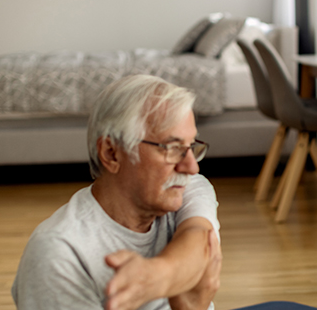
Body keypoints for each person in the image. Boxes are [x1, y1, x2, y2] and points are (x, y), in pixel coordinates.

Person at [12, 75, 222, 310]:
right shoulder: (58, 252)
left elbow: (199, 238)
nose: (191, 166)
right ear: (112, 153)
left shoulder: (183, 188)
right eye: (173, 148)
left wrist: (154, 277)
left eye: (191, 146)